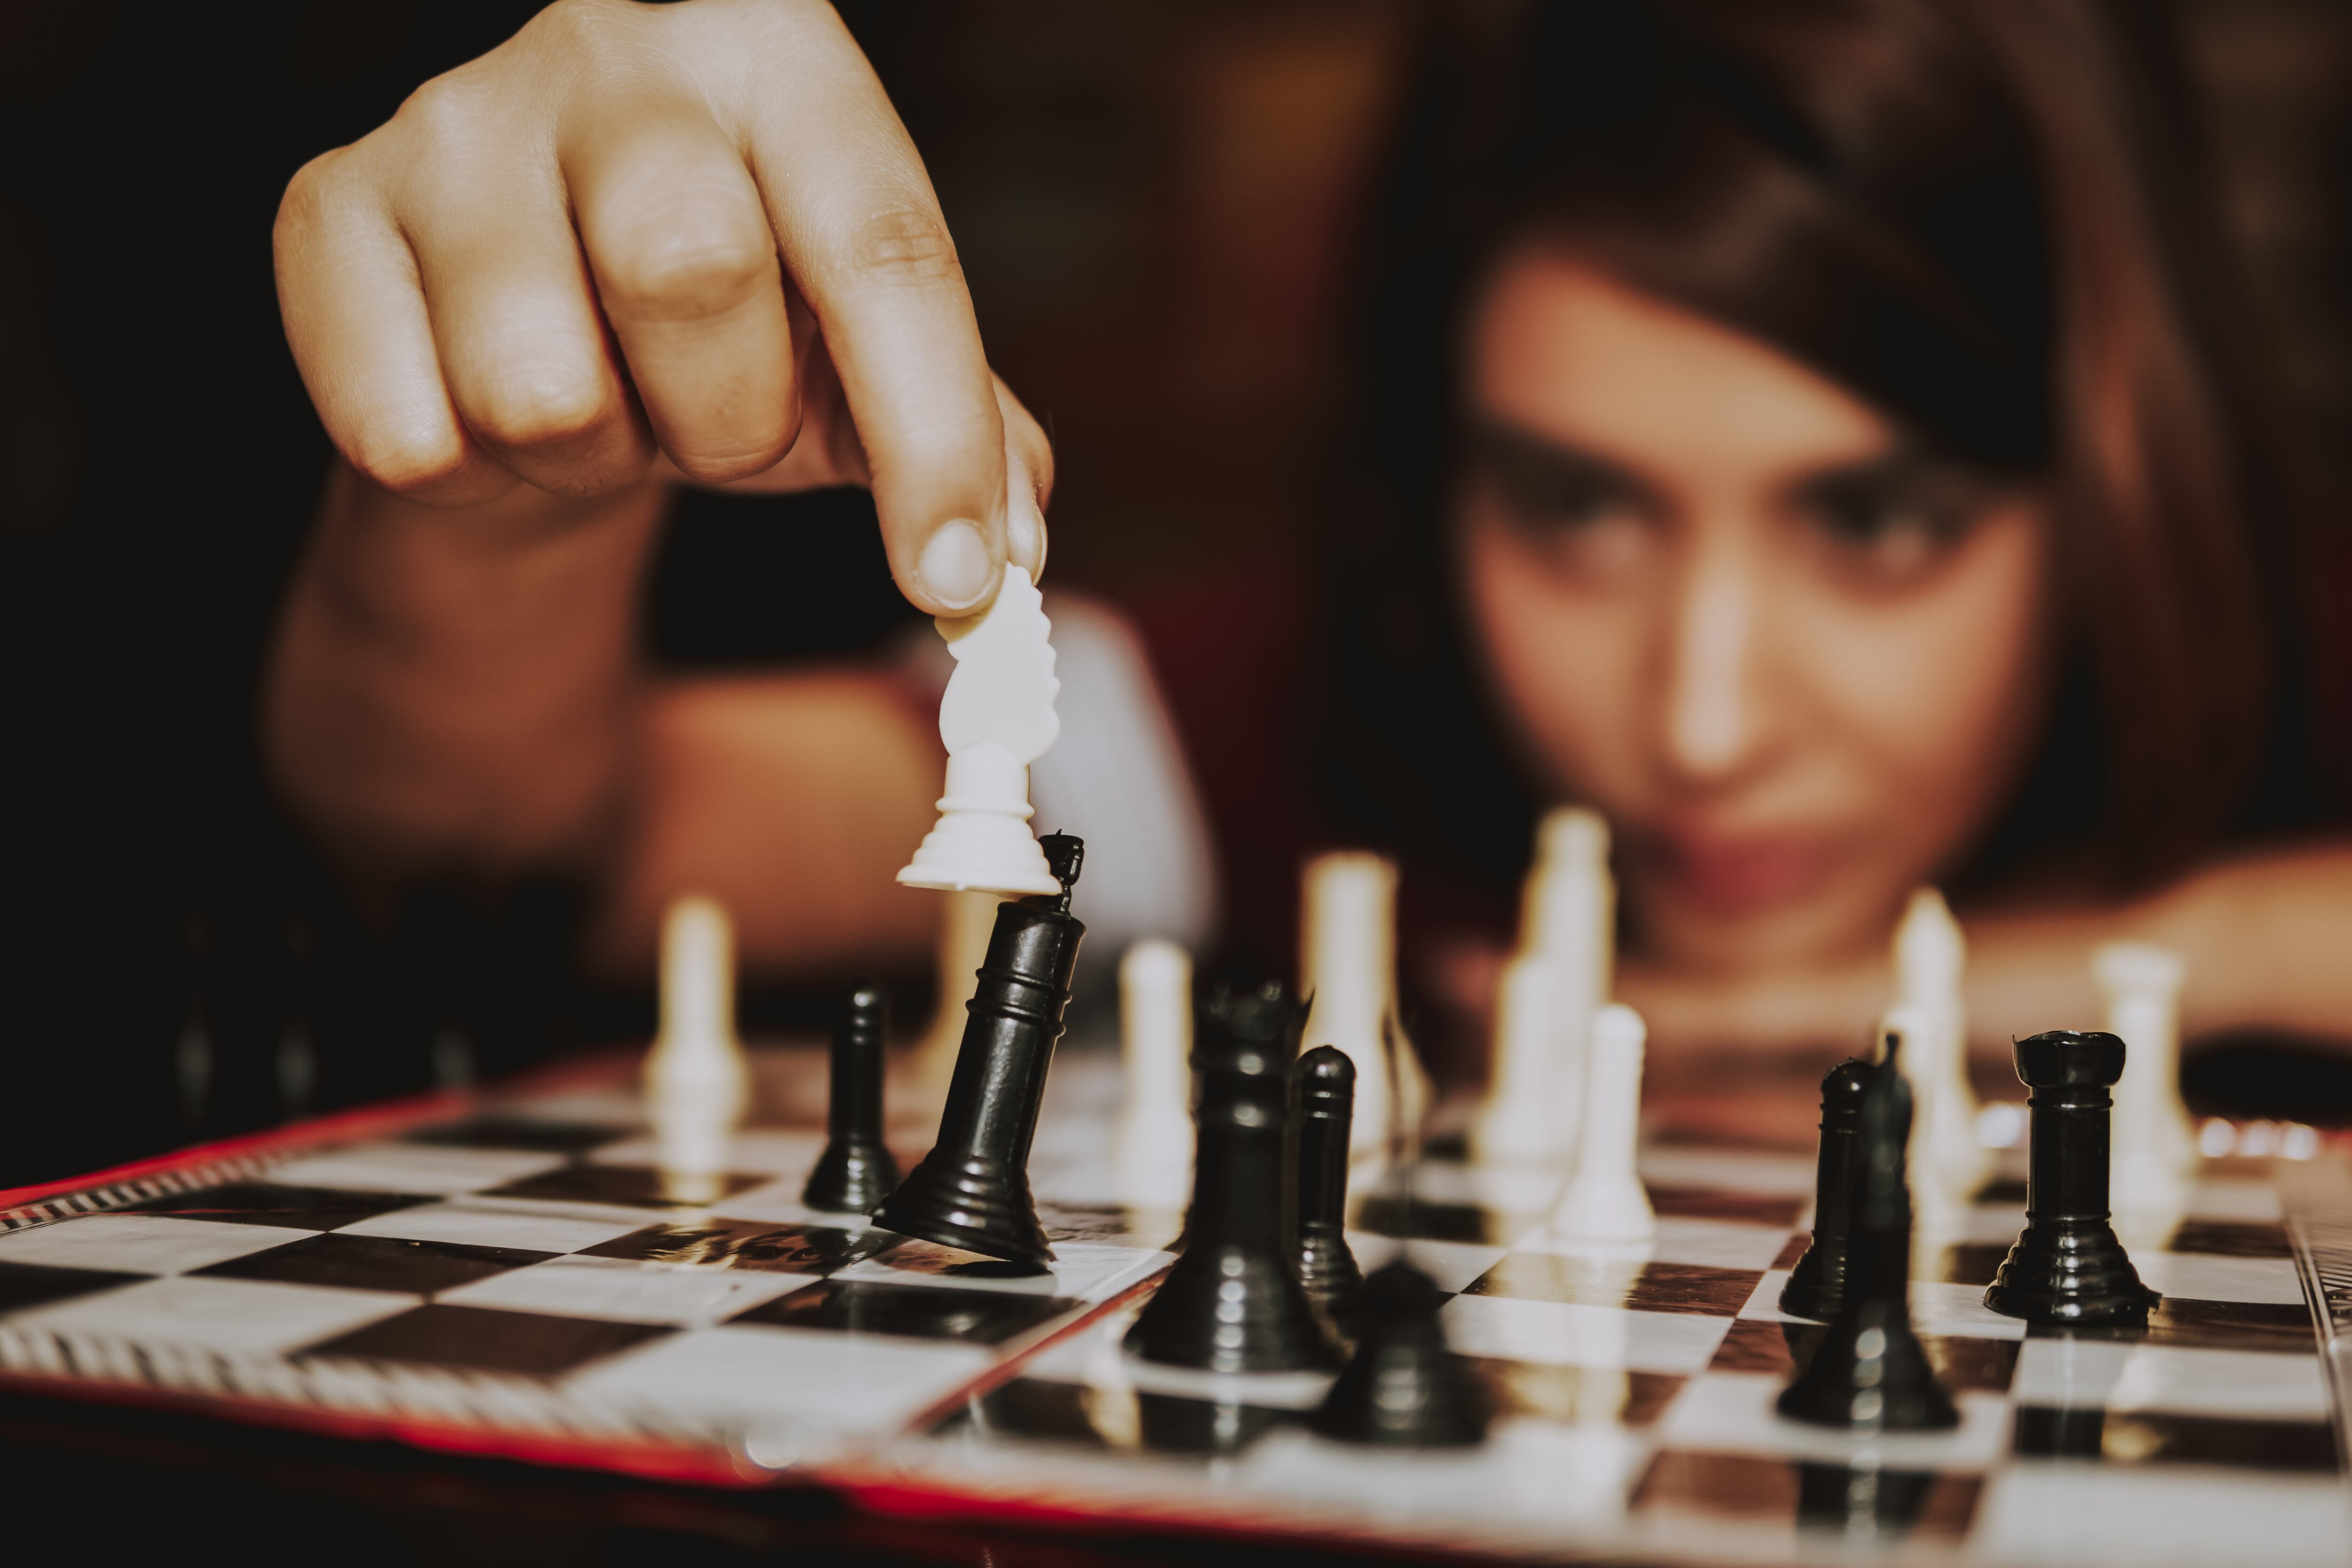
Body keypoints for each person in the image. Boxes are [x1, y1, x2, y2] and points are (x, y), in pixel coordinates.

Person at [266, 0, 2352, 1082]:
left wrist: (2103, 975)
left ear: (2117, 468)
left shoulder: (2301, 677)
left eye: (1878, 524)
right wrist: (493, 507)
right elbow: (499, 837)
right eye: (1571, 506)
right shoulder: (1287, 723)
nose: (1704, 719)